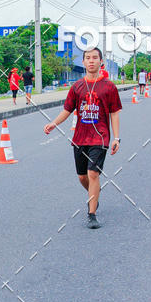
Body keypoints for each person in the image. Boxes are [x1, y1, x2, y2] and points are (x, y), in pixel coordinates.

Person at [43, 47, 121, 229]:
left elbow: (115, 113)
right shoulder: (77, 87)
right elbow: (67, 110)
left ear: (101, 62)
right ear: (84, 62)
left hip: (100, 137)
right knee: (82, 177)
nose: (91, 61)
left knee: (93, 173)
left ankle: (91, 214)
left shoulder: (109, 87)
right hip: (80, 138)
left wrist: (117, 138)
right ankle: (94, 195)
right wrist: (54, 123)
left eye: (95, 58)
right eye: (88, 58)